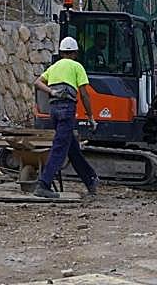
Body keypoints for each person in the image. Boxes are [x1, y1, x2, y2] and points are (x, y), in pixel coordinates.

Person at [32, 36, 99, 199]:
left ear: (61, 52)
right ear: (75, 53)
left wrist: (51, 92)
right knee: (60, 148)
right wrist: (90, 117)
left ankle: (90, 179)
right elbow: (84, 94)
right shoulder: (77, 66)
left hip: (53, 110)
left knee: (71, 148)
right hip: (67, 110)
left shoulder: (54, 67)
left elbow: (37, 82)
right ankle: (44, 184)